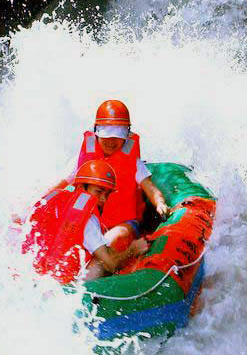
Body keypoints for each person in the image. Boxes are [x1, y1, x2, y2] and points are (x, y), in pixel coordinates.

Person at [57, 100, 170, 251]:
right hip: (88, 223)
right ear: (97, 132)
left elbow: (151, 188)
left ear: (127, 134)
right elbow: (59, 185)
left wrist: (160, 203)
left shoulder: (134, 163)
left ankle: (104, 264)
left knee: (112, 238)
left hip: (123, 224)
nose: (111, 141)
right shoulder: (82, 158)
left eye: (117, 135)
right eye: (107, 135)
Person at [22, 160, 148, 283]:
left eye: (107, 194)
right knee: (100, 261)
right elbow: (110, 264)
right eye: (98, 192)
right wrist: (134, 249)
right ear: (82, 187)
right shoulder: (86, 217)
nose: (103, 199)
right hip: (62, 287)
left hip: (32, 276)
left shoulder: (54, 199)